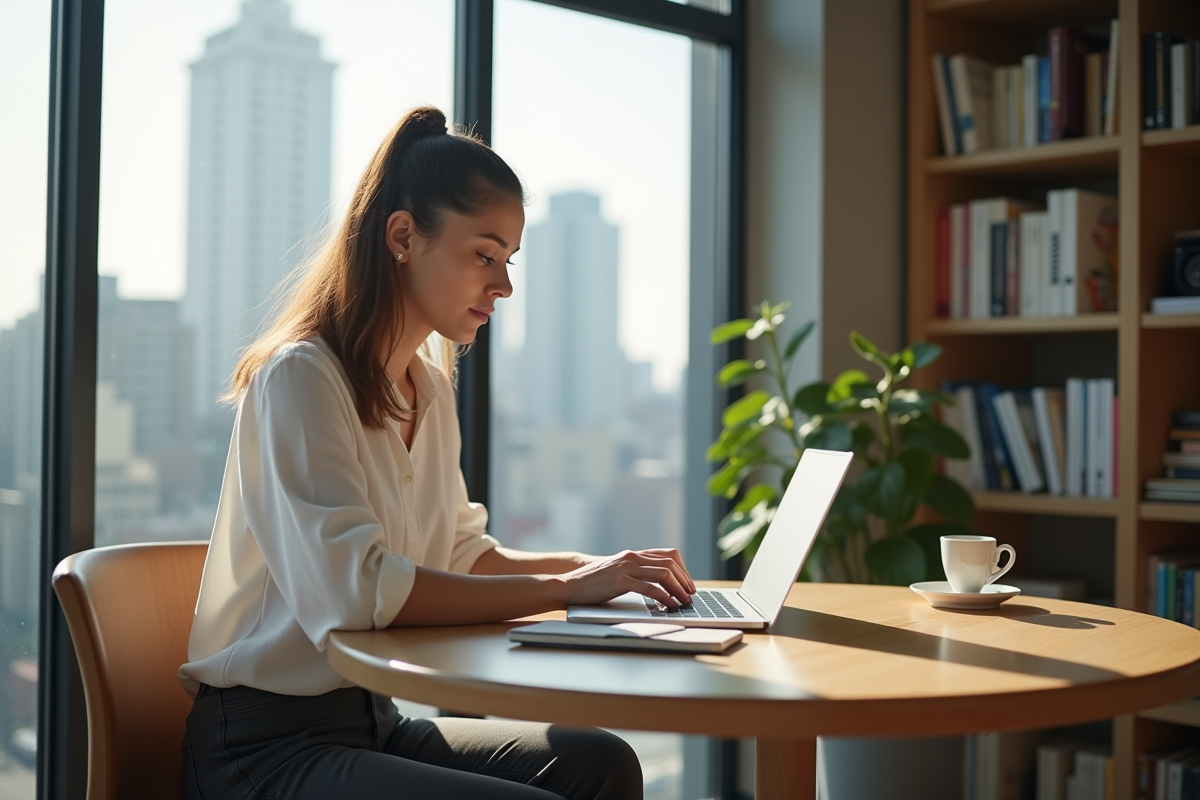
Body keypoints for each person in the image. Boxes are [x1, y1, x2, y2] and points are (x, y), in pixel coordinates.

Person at [177, 106, 697, 800]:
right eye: (484, 255)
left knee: (601, 764)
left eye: (508, 260)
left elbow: (461, 556)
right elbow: (357, 593)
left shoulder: (429, 385)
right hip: (263, 747)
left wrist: (602, 571)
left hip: (375, 721)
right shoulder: (300, 377)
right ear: (402, 237)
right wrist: (568, 590)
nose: (504, 285)